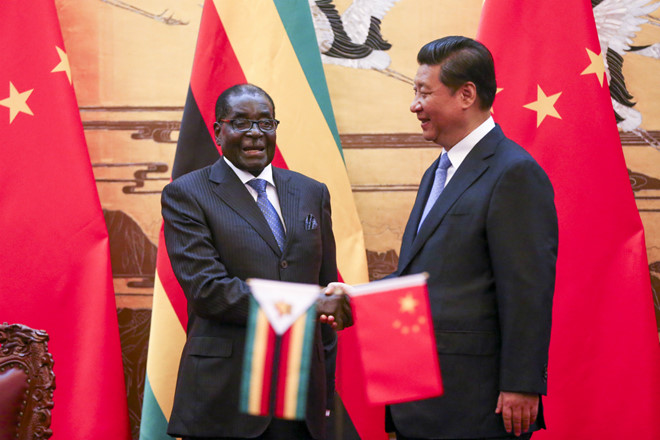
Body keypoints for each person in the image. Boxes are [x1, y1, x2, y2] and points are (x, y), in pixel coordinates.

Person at [331, 36, 558, 439]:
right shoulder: (438, 171)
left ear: (466, 95)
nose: (414, 105)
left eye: (423, 92)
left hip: (476, 403)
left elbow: (528, 289)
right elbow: (428, 275)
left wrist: (521, 384)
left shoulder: (513, 172)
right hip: (422, 399)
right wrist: (357, 297)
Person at [162, 83, 350, 440]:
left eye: (266, 123)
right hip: (226, 399)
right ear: (218, 131)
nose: (255, 133)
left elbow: (325, 294)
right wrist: (308, 303)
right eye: (241, 123)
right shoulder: (187, 193)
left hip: (300, 401)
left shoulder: (312, 192)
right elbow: (208, 291)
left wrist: (324, 394)